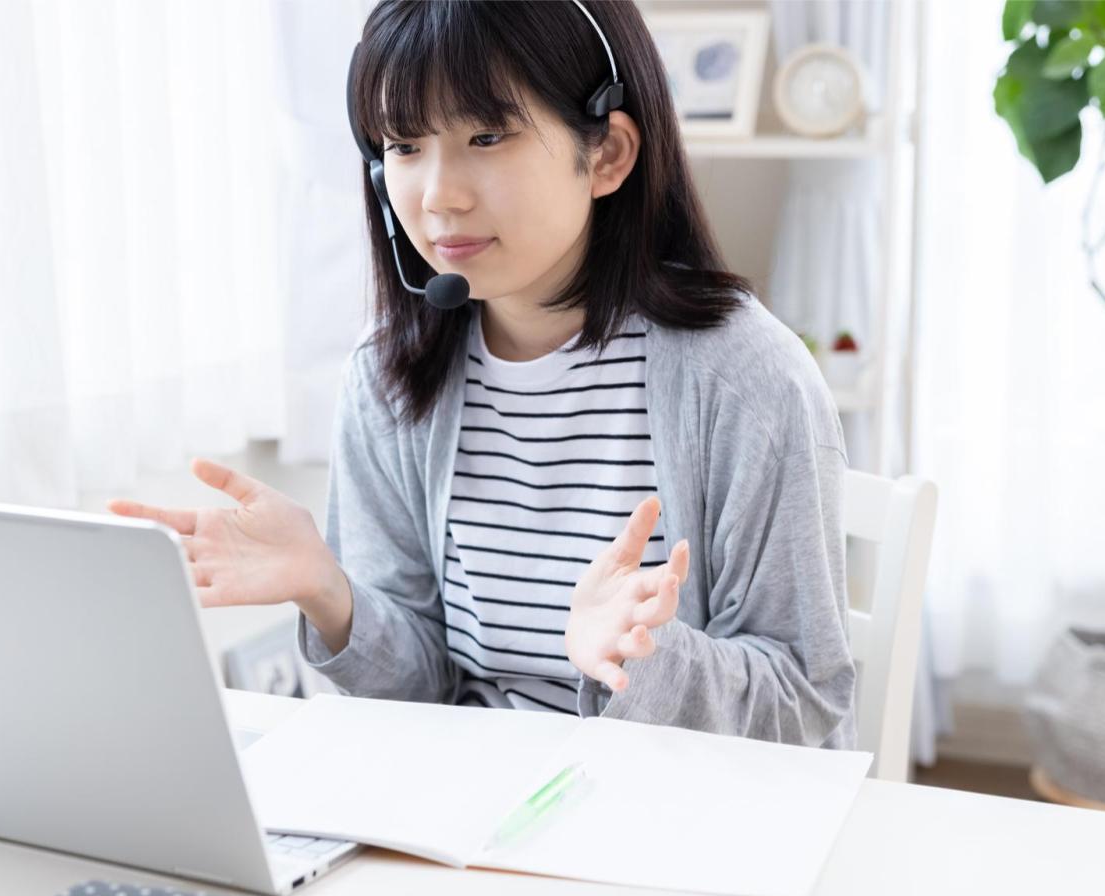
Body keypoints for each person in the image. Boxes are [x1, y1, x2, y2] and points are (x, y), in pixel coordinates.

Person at [110, 0, 855, 749]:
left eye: (487, 135)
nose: (438, 196)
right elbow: (424, 688)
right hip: (465, 812)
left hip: (671, 819)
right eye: (403, 146)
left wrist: (643, 658)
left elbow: (807, 701)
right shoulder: (389, 380)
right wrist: (328, 592)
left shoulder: (745, 378)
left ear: (607, 155)